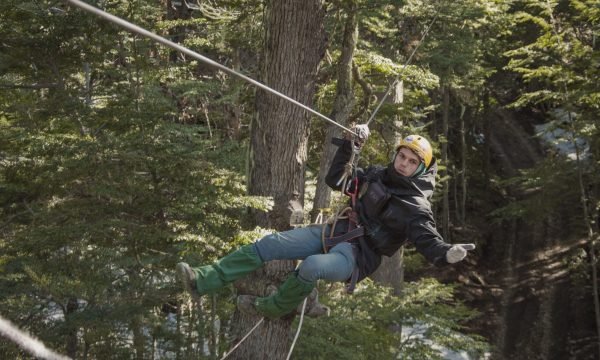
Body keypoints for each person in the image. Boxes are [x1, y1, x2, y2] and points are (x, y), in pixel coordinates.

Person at [176, 126, 475, 319]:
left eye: (412, 162)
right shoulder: (375, 175)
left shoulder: (415, 205)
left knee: (312, 266)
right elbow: (336, 179)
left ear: (420, 168)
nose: (404, 163)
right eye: (402, 156)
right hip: (336, 232)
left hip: (357, 256)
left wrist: (445, 252)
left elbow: (426, 237)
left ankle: (276, 308)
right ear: (396, 155)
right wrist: (349, 145)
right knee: (271, 243)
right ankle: (203, 280)